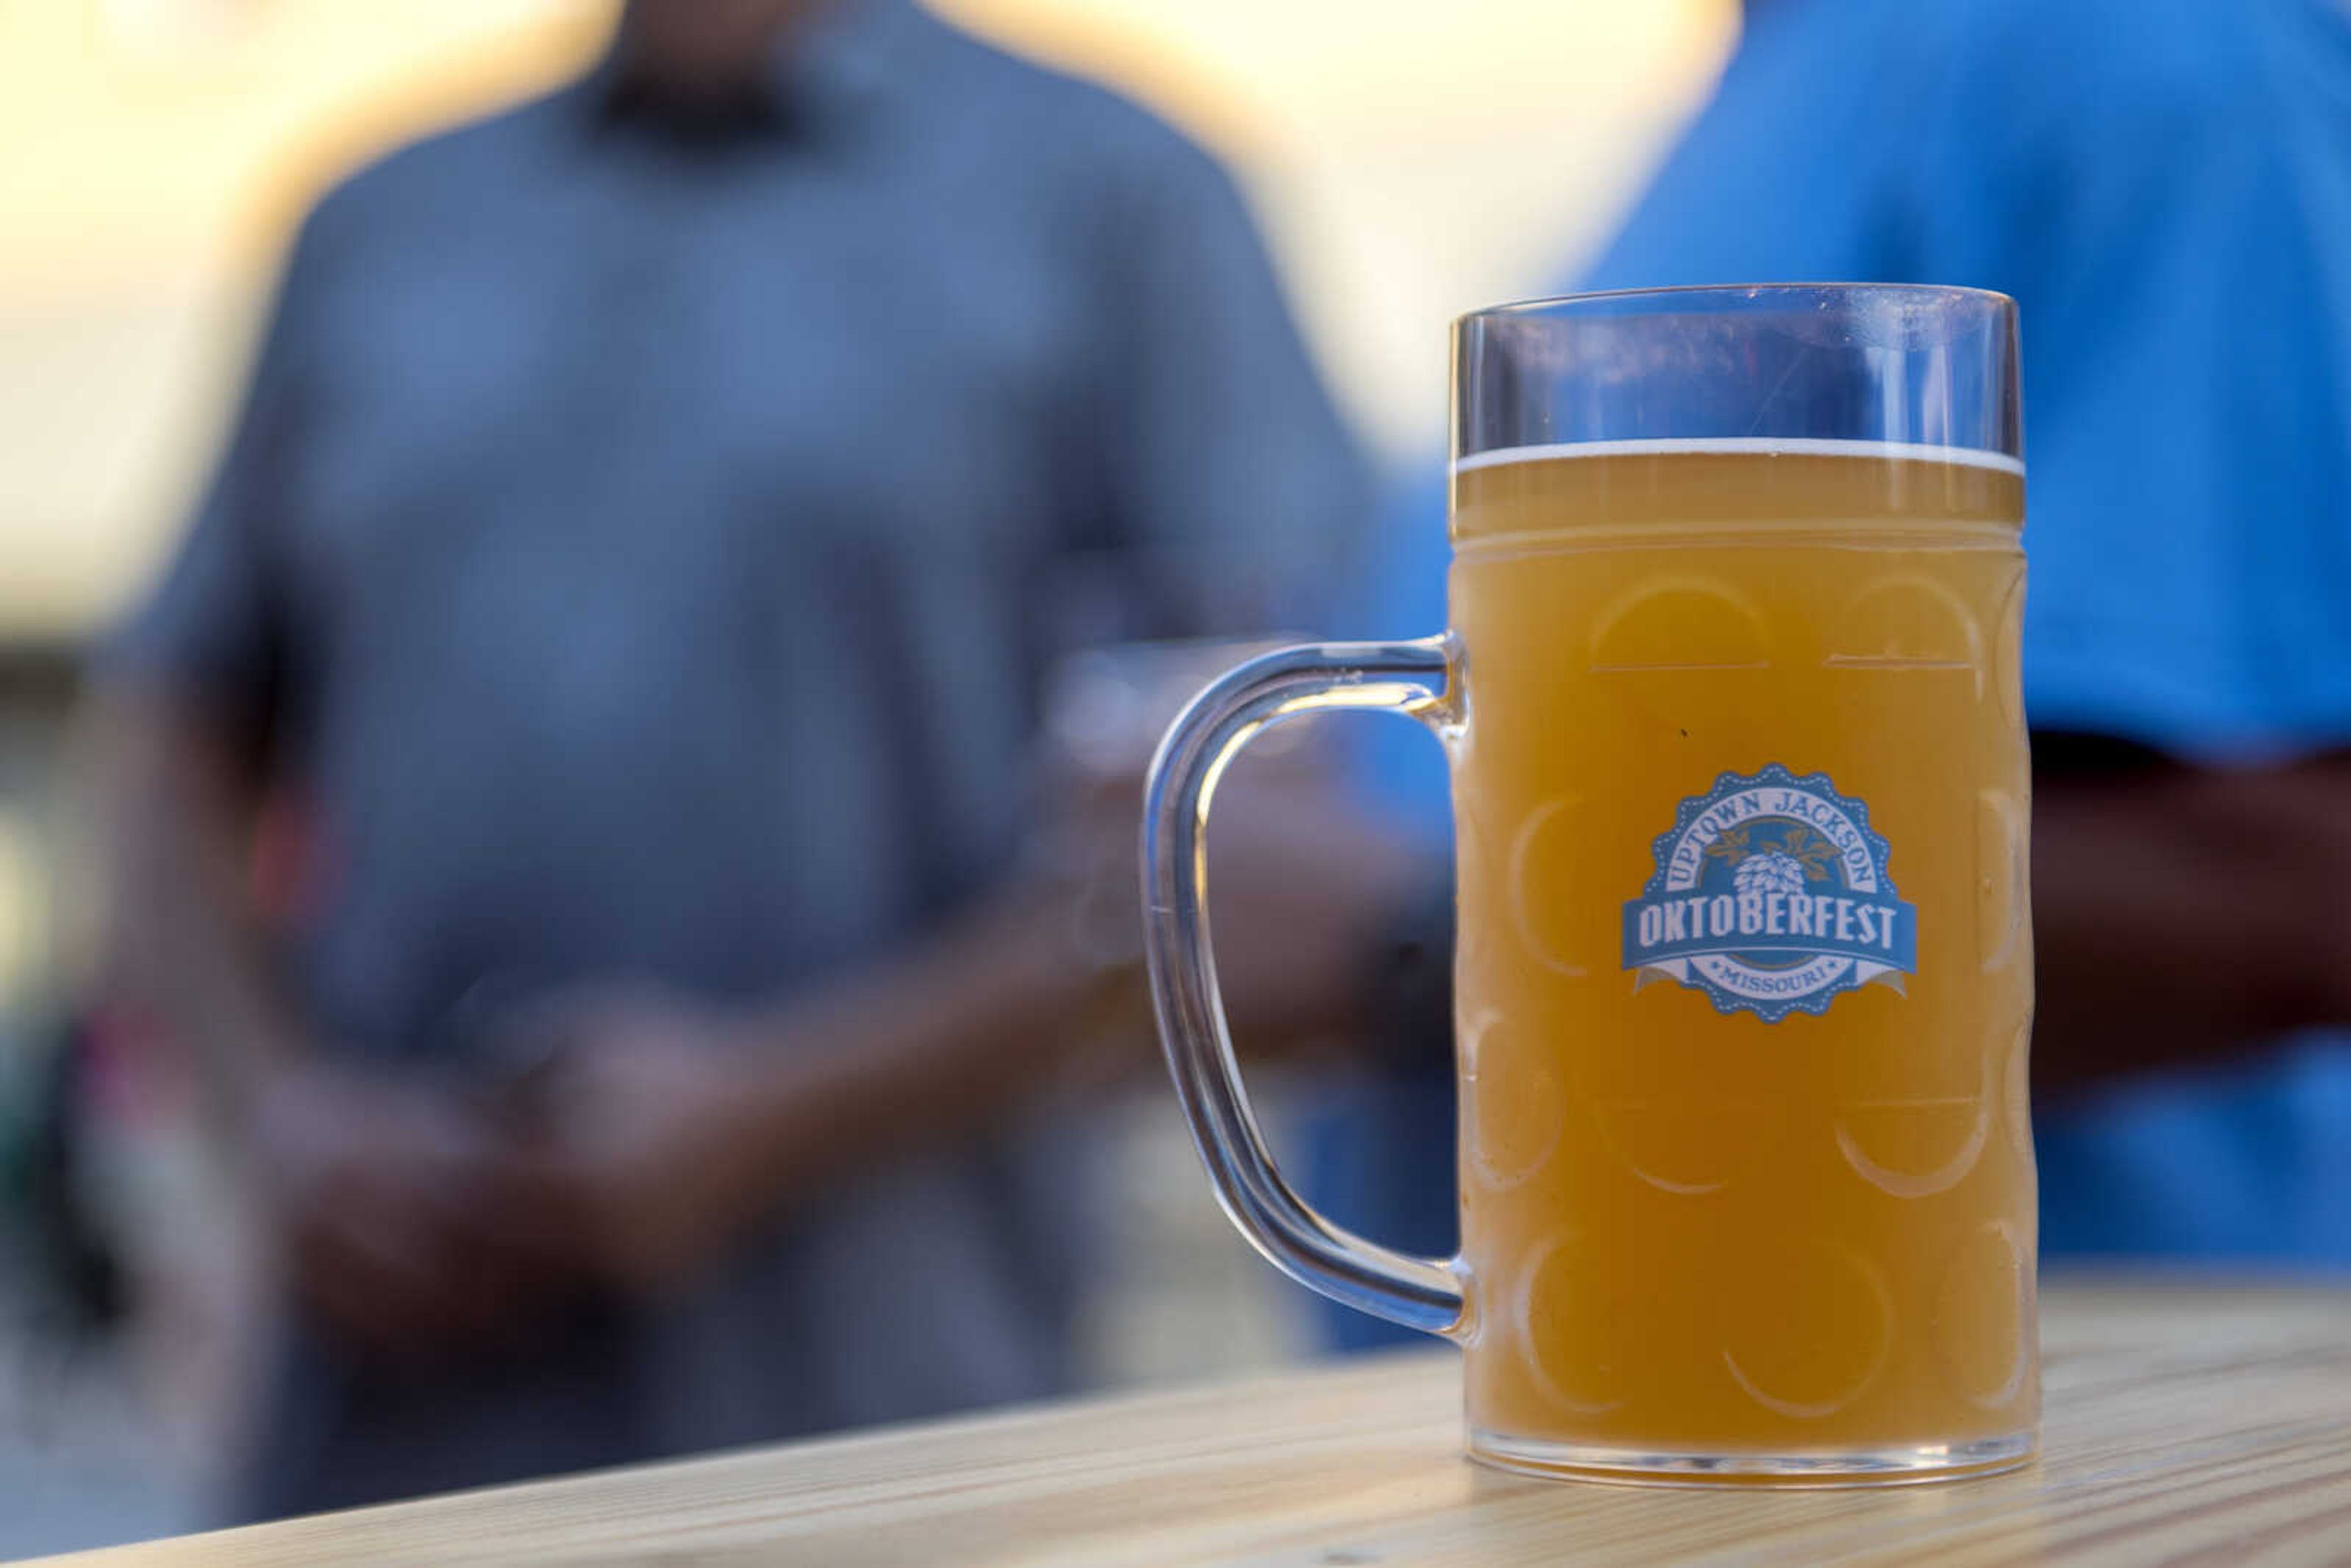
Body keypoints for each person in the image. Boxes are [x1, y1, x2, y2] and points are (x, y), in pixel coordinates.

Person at [92, 0, 1383, 1521]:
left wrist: (781, 1110)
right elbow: (171, 728)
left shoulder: (1113, 195)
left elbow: (1254, 834)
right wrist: (276, 1116)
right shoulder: (375, 224)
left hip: (893, 1445)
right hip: (380, 1451)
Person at [1319, 0, 2351, 1291]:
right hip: (1613, 1424)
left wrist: (1412, 934)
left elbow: (2302, 878)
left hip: (2051, 1443)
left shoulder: (2136, 49)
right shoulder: (1783, 80)